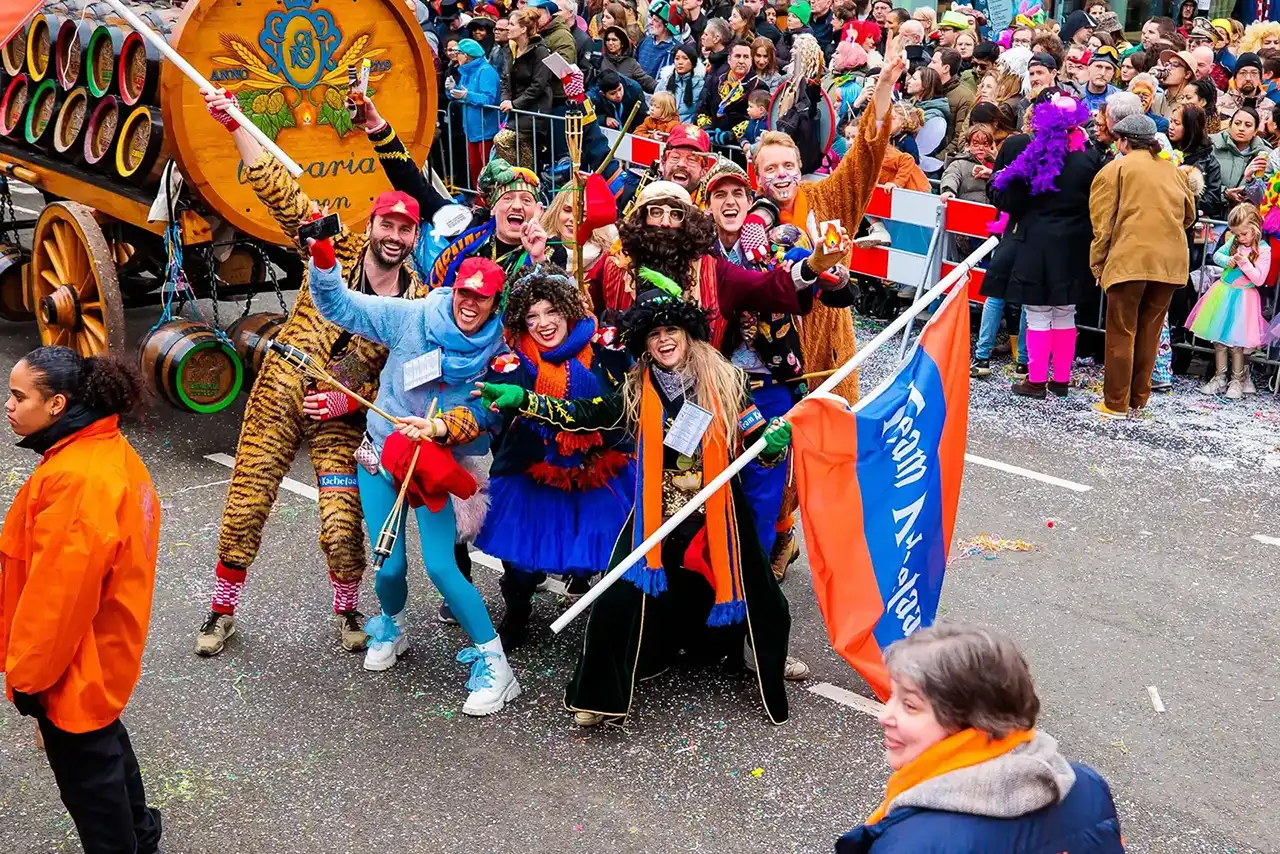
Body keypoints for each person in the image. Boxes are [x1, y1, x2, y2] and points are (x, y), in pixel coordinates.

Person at [477, 288, 798, 727]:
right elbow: (584, 413)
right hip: (655, 511)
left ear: (688, 335)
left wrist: (772, 446)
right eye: (654, 334)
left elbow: (756, 442)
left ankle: (766, 665)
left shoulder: (728, 381)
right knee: (615, 599)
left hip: (718, 507)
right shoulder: (634, 389)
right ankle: (597, 697)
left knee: (766, 600)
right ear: (644, 344)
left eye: (671, 331)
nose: (664, 340)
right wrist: (526, 401)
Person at [193, 90, 435, 658]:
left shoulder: (418, 302)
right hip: (281, 390)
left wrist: (353, 403)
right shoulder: (333, 246)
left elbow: (410, 383)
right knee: (249, 503)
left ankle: (348, 609)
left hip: (342, 416)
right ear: (371, 224)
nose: (395, 236)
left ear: (415, 237)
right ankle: (222, 610)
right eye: (388, 224)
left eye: (406, 229)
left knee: (342, 522)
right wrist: (234, 124)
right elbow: (281, 189)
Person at [307, 226, 520, 713]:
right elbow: (339, 305)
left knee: (442, 566)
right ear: (454, 289)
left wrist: (444, 427)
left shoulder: (498, 350)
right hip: (382, 453)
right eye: (465, 292)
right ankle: (391, 624)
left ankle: (497, 666)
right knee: (390, 562)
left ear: (493, 302)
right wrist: (322, 256)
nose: (470, 303)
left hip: (435, 464)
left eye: (481, 298)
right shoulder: (414, 316)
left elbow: (493, 413)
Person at [2, 347, 163, 854]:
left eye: (18, 395)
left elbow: (57, 599)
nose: (8, 405)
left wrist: (27, 681)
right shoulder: (103, 449)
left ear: (56, 405)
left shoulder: (74, 479)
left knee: (90, 783)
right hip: (104, 645)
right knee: (105, 742)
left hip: (73, 659)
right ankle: (142, 834)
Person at [834, 622, 1125, 853]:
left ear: (973, 720)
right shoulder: (1085, 784)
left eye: (910, 705)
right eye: (892, 697)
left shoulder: (912, 843)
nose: (884, 716)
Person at [476, 267, 635, 647]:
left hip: (597, 465)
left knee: (610, 546)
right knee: (520, 561)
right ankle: (517, 610)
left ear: (568, 310)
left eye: (551, 312)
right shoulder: (513, 361)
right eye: (532, 317)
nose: (543, 324)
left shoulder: (604, 346)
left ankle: (612, 617)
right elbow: (498, 396)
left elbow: (629, 386)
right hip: (535, 466)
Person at [749, 35, 908, 407]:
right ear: (757, 178)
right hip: (772, 368)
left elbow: (866, 154)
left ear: (801, 169)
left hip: (830, 359)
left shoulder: (830, 201)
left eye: (788, 166)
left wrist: (883, 83)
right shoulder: (750, 220)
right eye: (771, 168)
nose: (782, 175)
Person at [981, 94, 1105, 399]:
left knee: (1038, 313)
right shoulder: (1092, 159)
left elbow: (1011, 201)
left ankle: (1036, 381)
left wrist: (995, 183)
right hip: (1075, 245)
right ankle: (1060, 380)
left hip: (1036, 244)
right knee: (1065, 312)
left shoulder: (1033, 156)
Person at [1089, 113, 1196, 419]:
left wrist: (1097, 262)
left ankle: (1115, 403)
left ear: (1123, 141)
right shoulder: (1173, 171)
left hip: (1129, 259)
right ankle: (1138, 399)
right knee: (1149, 331)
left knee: (1122, 331)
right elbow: (1189, 216)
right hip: (1170, 262)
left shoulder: (1116, 169)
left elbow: (1102, 224)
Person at [1186, 203, 1272, 398]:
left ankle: (1237, 380)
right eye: (1237, 234)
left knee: (1237, 342)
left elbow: (1259, 278)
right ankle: (1219, 377)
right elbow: (1217, 255)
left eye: (1243, 234)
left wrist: (1244, 263)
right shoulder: (1234, 240)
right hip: (1223, 293)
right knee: (1219, 339)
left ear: (1255, 228)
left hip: (1244, 298)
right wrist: (1228, 261)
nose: (1239, 237)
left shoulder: (1264, 250)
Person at [498, 8, 555, 168]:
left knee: (501, 139)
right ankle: (522, 181)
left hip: (535, 111)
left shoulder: (540, 51)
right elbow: (505, 79)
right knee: (523, 152)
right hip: (515, 110)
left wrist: (515, 104)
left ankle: (521, 178)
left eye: (511, 24)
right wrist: (506, 100)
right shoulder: (511, 49)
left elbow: (539, 85)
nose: (507, 28)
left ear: (523, 29)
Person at [447, 38, 502, 188]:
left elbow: (489, 99)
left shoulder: (486, 71)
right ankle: (479, 201)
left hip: (486, 131)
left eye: (458, 53)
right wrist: (451, 91)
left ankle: (490, 202)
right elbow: (460, 95)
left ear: (467, 55)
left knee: (487, 170)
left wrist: (467, 95)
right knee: (474, 168)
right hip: (471, 131)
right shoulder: (466, 71)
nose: (456, 57)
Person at [697, 38, 764, 148]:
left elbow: (758, 118)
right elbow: (703, 108)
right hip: (712, 143)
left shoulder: (758, 86)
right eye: (737, 56)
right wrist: (706, 128)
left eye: (746, 57)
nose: (741, 61)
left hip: (738, 148)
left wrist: (731, 135)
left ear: (751, 61)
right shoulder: (715, 81)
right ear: (729, 59)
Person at [1169, 104, 1225, 219]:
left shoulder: (1209, 162)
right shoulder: (1164, 151)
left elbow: (1212, 201)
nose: (1171, 127)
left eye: (1177, 123)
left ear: (1191, 128)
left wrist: (1183, 200)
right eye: (1171, 121)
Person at [1215, 107, 1271, 199]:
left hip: (1249, 211)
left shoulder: (1265, 156)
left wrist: (1250, 185)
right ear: (1230, 125)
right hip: (1216, 209)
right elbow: (1204, 184)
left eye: (1248, 125)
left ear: (1255, 131)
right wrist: (1224, 192)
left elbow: (1267, 196)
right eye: (1237, 123)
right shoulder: (1213, 147)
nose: (1241, 128)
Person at [931, 47, 974, 155]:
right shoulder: (928, 89)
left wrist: (938, 159)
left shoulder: (965, 97)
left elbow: (959, 137)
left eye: (933, 62)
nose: (929, 66)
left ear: (946, 68)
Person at [658, 44, 707, 124]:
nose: (680, 62)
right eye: (677, 58)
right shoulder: (665, 81)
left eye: (685, 58)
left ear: (693, 62)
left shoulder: (700, 85)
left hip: (686, 129)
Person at [601, 25, 658, 93]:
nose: (610, 43)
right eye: (608, 40)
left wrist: (662, 89)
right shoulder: (600, 60)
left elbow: (647, 82)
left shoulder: (631, 63)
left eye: (614, 40)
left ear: (622, 43)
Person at [591, 68, 647, 134]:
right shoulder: (592, 97)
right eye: (613, 93)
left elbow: (642, 115)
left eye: (620, 89)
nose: (619, 95)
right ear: (602, 93)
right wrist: (603, 119)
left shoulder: (634, 89)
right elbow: (584, 119)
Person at [637, 0, 681, 81]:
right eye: (652, 19)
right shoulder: (645, 41)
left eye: (656, 20)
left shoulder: (676, 49)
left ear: (666, 26)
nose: (650, 23)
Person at [1156, 49, 1195, 119]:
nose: (1167, 68)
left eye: (1174, 65)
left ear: (1187, 74)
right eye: (1166, 64)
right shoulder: (1155, 98)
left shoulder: (1189, 105)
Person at [1080, 47, 1119, 112]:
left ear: (1113, 73)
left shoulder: (1119, 98)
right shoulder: (1074, 95)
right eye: (1099, 67)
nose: (1102, 73)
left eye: (1108, 68)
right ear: (1088, 67)